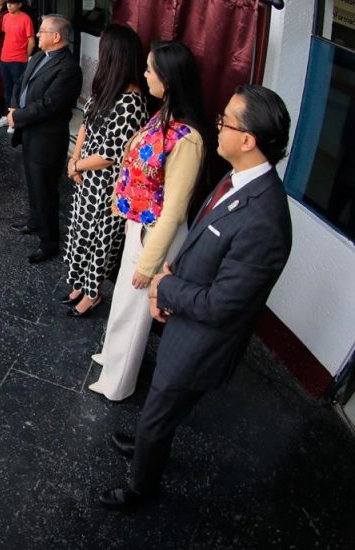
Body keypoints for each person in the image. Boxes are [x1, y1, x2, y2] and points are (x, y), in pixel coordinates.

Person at [100, 83, 293, 510]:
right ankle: (149, 442)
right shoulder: (237, 177)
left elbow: (224, 305)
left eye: (226, 121)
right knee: (160, 409)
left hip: (201, 342)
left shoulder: (266, 221)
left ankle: (140, 487)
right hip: (185, 314)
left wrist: (163, 286)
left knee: (161, 406)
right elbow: (206, 241)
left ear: (248, 140)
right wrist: (172, 278)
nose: (217, 125)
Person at [89, 41, 208, 400]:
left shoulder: (188, 138)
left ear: (167, 79)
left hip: (156, 234)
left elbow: (174, 209)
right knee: (123, 300)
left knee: (134, 307)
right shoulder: (163, 115)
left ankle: (118, 383)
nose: (144, 75)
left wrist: (149, 263)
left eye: (149, 70)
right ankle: (111, 355)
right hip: (140, 224)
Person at [62, 25, 148, 317]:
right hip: (87, 177)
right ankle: (79, 284)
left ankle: (92, 293)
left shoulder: (132, 102)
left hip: (107, 186)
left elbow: (111, 155)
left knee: (100, 241)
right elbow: (85, 125)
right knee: (81, 233)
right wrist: (74, 159)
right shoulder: (107, 88)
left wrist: (77, 165)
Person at [8, 14, 82, 263]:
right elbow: (20, 83)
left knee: (46, 190)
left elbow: (49, 105)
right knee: (32, 182)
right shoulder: (40, 56)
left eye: (42, 31)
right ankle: (34, 221)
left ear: (56, 36)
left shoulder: (68, 68)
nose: (37, 34)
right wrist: (13, 108)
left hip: (47, 139)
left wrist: (17, 116)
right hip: (29, 131)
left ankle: (49, 242)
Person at [0, 0, 35, 131]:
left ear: (19, 4)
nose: (9, 5)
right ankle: (7, 116)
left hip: (19, 60)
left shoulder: (26, 19)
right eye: (8, 3)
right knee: (7, 88)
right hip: (4, 58)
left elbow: (31, 41)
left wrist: (26, 58)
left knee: (17, 90)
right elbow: (6, 35)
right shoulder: (5, 17)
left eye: (12, 3)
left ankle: (16, 120)